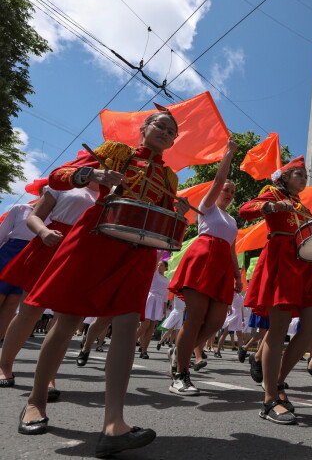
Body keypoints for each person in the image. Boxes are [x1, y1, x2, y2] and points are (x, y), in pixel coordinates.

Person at [17, 109, 187, 458]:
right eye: (161, 126)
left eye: (172, 132)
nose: (166, 133)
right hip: (98, 236)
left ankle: (114, 424)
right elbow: (58, 176)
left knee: (126, 324)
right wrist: (92, 173)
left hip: (140, 248)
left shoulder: (171, 177)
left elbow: (163, 215)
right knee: (67, 319)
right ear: (143, 128)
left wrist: (178, 209)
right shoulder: (116, 152)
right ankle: (35, 401)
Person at [238, 156, 312, 425]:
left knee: (311, 326)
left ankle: (276, 381)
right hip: (281, 260)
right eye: (299, 174)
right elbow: (245, 210)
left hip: (305, 265)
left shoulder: (303, 207)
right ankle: (270, 399)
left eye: (305, 176)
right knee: (277, 330)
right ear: (285, 176)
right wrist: (271, 205)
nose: (304, 179)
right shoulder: (271, 192)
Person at [0, 182, 98, 392]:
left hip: (85, 253)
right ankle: (4, 365)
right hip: (51, 244)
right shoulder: (65, 184)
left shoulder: (117, 194)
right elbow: (34, 216)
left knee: (65, 320)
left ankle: (48, 376)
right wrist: (44, 232)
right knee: (29, 310)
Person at [167, 138, 240, 396]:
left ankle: (179, 353)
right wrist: (228, 154)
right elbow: (219, 180)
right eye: (225, 190)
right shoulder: (206, 210)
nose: (228, 193)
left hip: (222, 268)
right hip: (202, 260)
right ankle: (180, 373)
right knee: (195, 317)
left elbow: (232, 248)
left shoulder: (232, 221)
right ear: (216, 191)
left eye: (232, 192)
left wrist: (237, 276)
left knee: (216, 321)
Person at [0, 201, 37, 342]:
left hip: (32, 257)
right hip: (8, 254)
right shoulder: (20, 208)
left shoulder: (57, 214)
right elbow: (2, 233)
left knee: (12, 303)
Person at [136, 260, 170, 359]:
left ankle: (144, 351)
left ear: (166, 268)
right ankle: (129, 343)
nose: (159, 267)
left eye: (162, 265)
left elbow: (165, 296)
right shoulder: (155, 275)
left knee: (151, 328)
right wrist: (163, 249)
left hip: (159, 302)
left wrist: (164, 310)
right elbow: (154, 264)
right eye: (158, 265)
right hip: (150, 299)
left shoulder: (167, 280)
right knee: (145, 324)